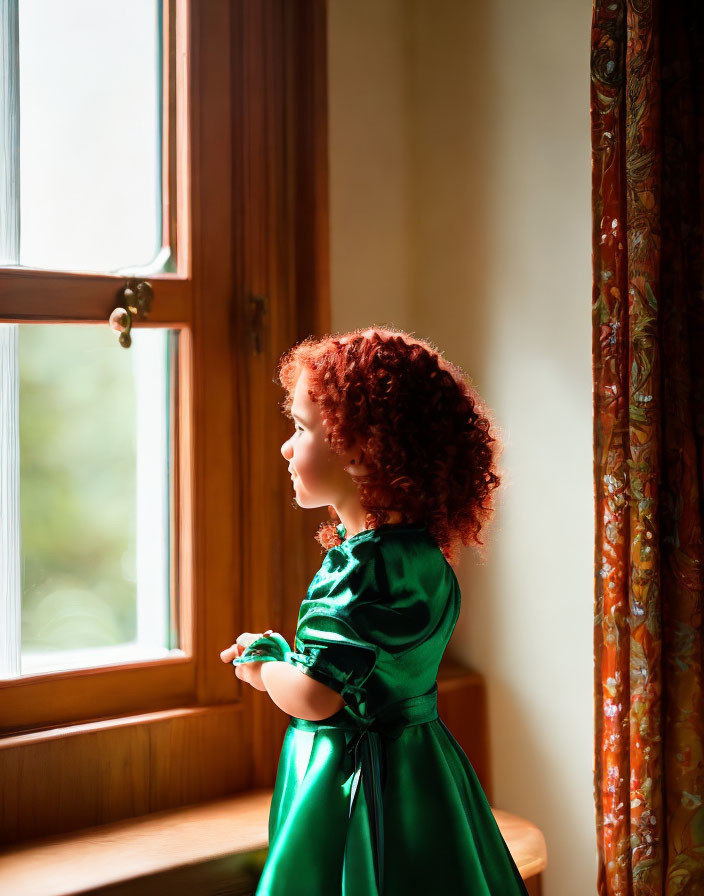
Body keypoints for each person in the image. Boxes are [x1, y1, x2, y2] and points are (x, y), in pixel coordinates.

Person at [219, 326, 530, 895]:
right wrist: (295, 657)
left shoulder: (358, 570)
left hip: (359, 788)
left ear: (361, 452)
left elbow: (318, 696)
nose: (287, 447)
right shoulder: (423, 556)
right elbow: (366, 670)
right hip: (426, 769)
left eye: (301, 428)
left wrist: (263, 668)